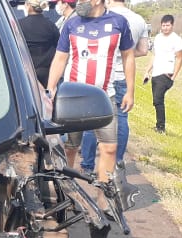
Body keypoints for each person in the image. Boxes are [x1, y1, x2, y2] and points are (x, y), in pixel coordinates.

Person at [45, 0, 135, 185]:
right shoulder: (72, 23)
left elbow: (128, 57)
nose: (78, 2)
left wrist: (130, 91)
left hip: (105, 95)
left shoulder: (119, 23)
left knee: (109, 147)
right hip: (73, 96)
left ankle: (104, 193)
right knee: (70, 146)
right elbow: (60, 58)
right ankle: (66, 186)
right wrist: (51, 88)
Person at [79, 0, 148, 178]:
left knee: (92, 120)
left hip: (102, 75)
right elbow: (143, 50)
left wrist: (111, 52)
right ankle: (117, 161)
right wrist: (125, 53)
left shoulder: (100, 17)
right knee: (122, 117)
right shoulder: (138, 20)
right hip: (123, 74)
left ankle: (87, 164)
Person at [145, 14, 182, 134]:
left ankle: (161, 127)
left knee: (158, 99)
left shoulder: (176, 40)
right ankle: (159, 125)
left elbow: (179, 58)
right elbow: (154, 55)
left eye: (167, 25)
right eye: (163, 25)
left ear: (172, 25)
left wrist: (174, 76)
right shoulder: (158, 38)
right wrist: (147, 71)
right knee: (156, 101)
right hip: (156, 72)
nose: (165, 28)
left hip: (166, 74)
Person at [18, 0, 60, 86]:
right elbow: (59, 48)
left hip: (25, 73)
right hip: (47, 75)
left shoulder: (19, 25)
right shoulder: (51, 25)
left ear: (28, 6)